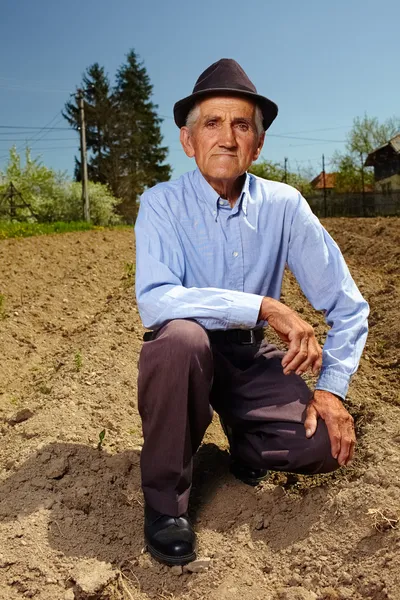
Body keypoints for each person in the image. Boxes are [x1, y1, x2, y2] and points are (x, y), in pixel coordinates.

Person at [134, 58, 369, 566]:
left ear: (257, 144)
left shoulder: (284, 205)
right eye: (211, 123)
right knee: (180, 339)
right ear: (188, 139)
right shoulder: (160, 204)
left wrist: (330, 389)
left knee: (324, 444)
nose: (226, 137)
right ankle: (165, 506)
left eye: (241, 125)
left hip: (251, 354)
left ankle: (245, 442)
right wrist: (264, 305)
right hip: (188, 353)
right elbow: (155, 299)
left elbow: (349, 306)